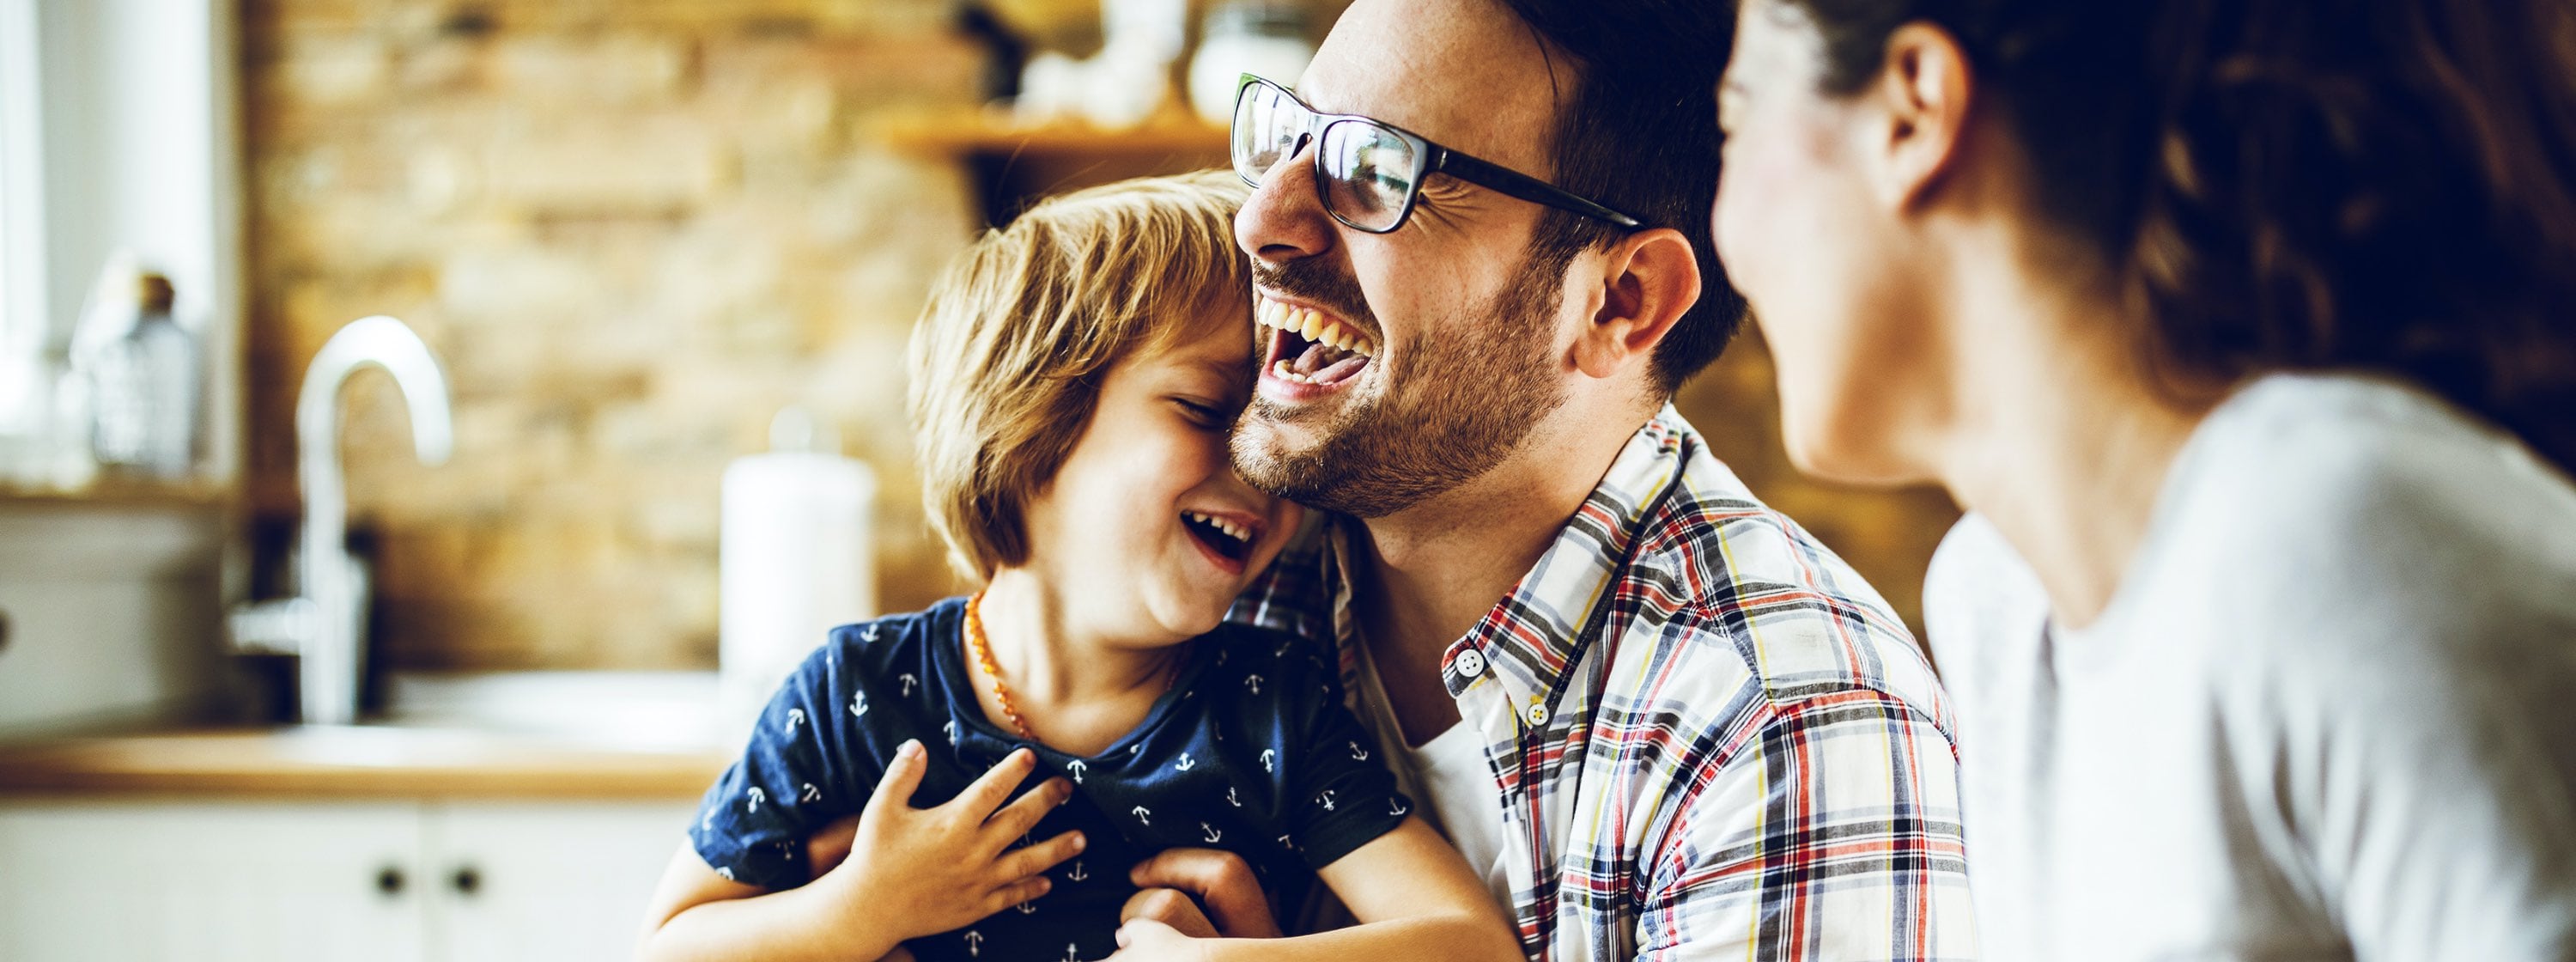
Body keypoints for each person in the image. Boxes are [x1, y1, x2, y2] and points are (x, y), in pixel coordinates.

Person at [1710, 0, 2576, 957]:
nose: (1726, 232)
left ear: (1911, 115)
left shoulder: (2336, 539)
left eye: (1736, 121)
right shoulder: (1999, 605)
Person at [1115, 1, 1975, 958]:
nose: (1262, 220)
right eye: (1287, 136)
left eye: (1375, 170)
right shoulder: (1217, 568)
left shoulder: (1786, 723)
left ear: (1622, 300)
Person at [635, 171, 1522, 962]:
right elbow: (671, 944)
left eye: (1277, 420)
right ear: (1031, 426)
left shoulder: (1271, 707)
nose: (1261, 459)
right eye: (1208, 405)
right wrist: (859, 909)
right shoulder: (853, 693)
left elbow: (1471, 945)